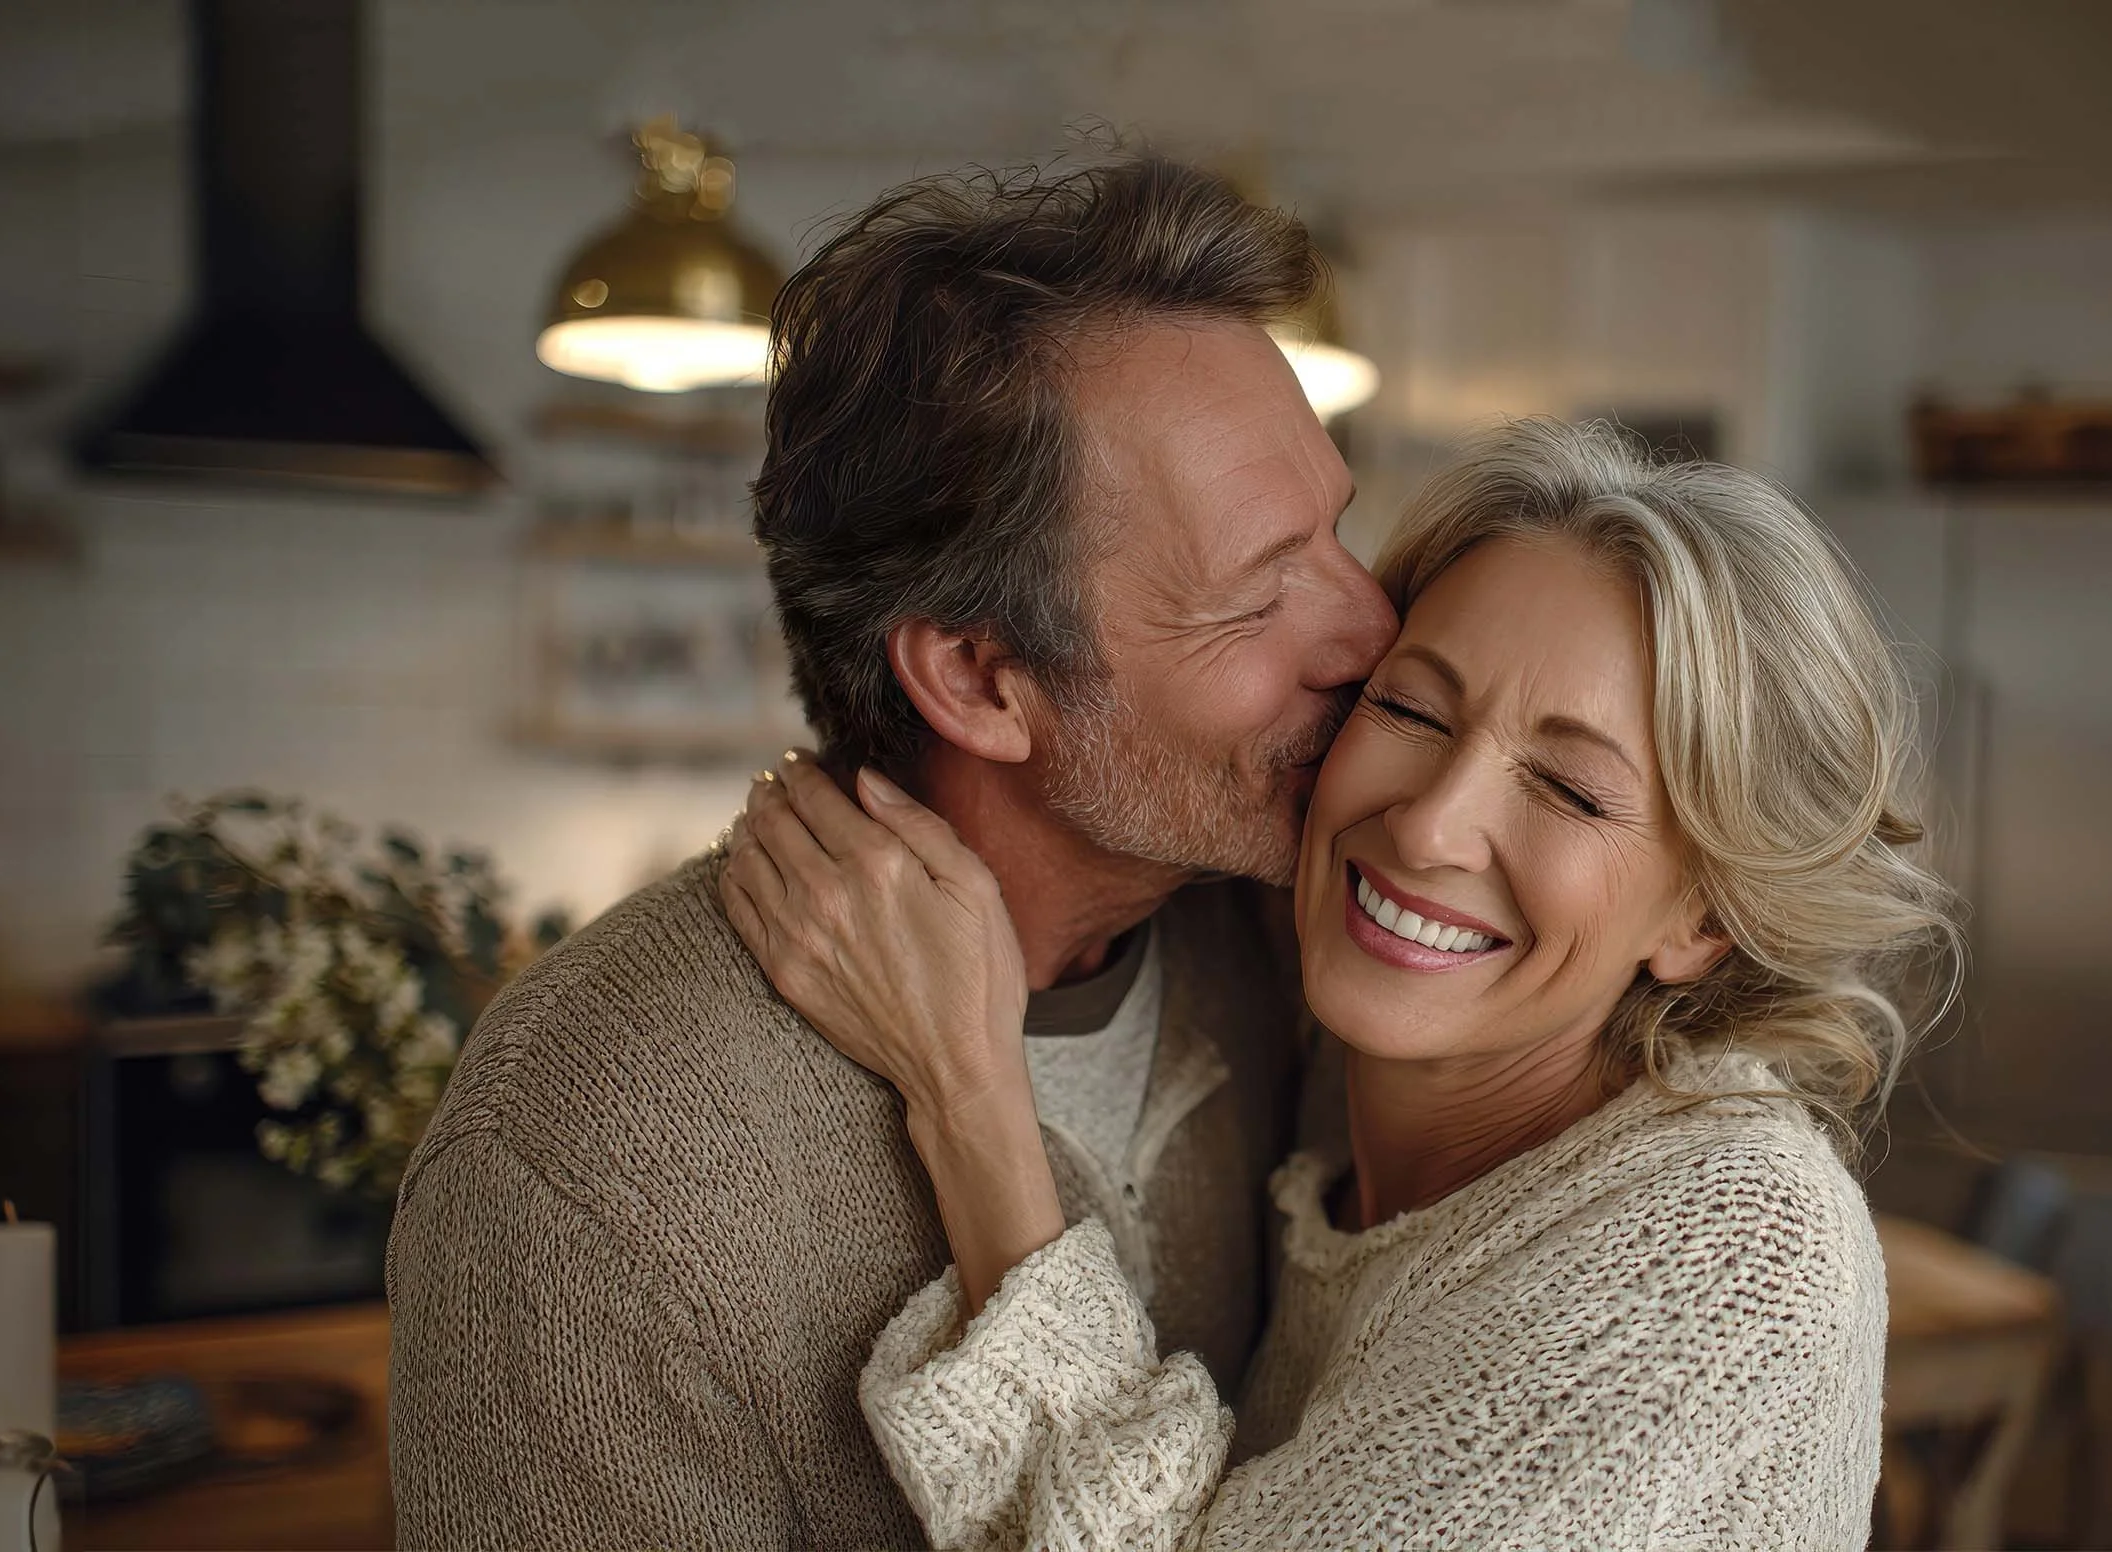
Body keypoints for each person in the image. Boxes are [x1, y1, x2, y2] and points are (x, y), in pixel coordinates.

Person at [384, 156, 1397, 1547]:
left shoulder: (1309, 954)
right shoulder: (595, 1149)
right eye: (1257, 593)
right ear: (982, 678)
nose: (1372, 635)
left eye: (1337, 533)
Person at [722, 417, 1961, 1549]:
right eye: (1413, 710)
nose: (1430, 826)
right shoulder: (1340, 1134)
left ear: (1702, 920)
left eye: (1573, 790)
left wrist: (968, 1098)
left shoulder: (1729, 1242)